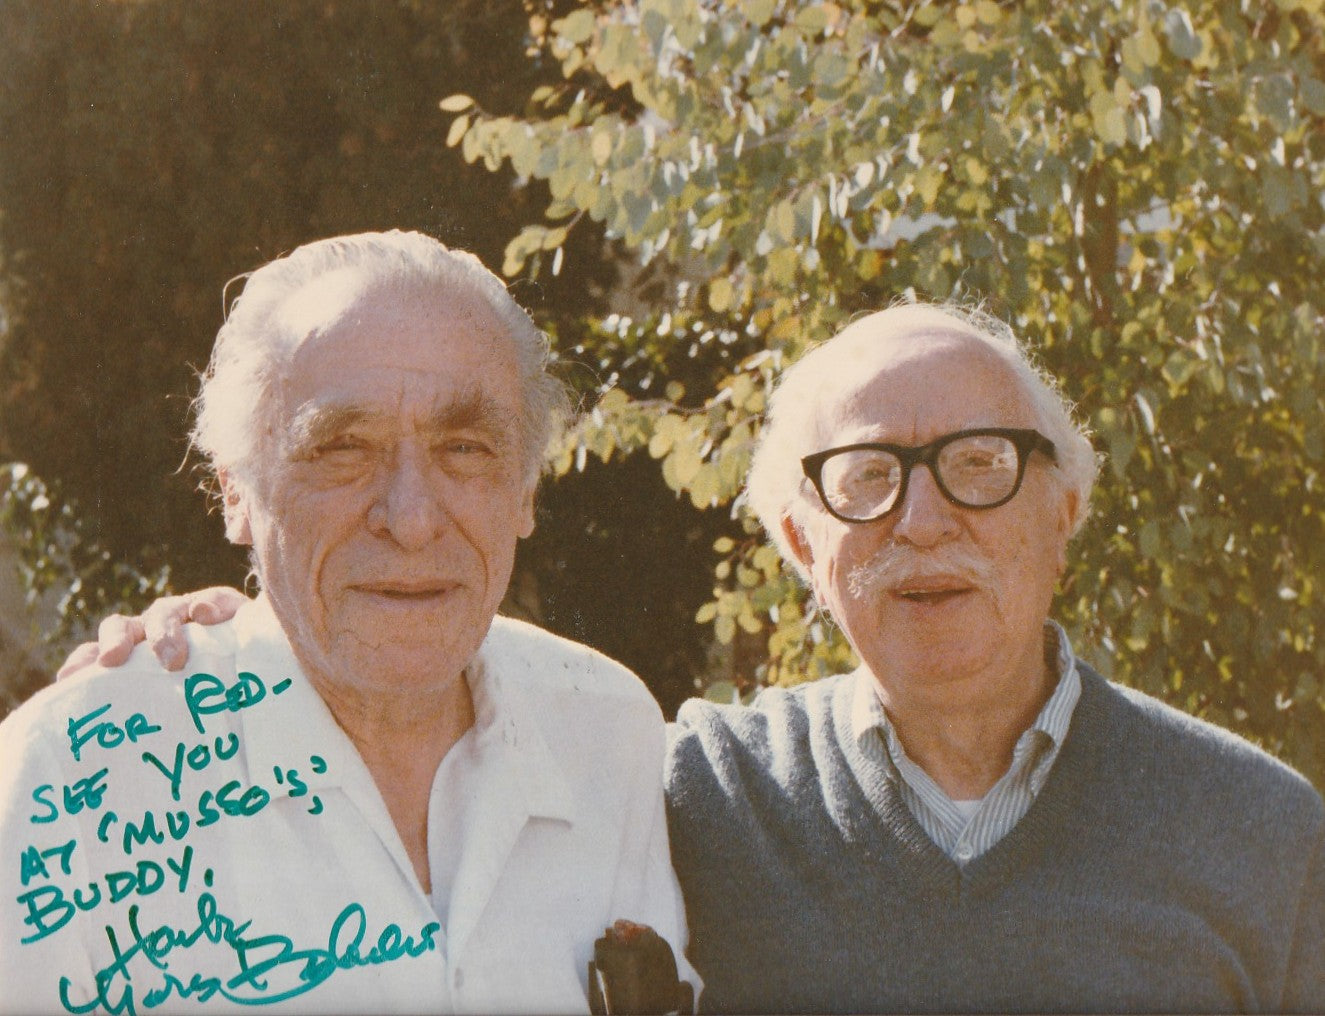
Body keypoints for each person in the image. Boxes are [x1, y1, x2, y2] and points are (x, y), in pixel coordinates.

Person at [56, 303, 1325, 1012]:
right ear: (797, 542)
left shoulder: (1260, 831)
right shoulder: (693, 784)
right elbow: (416, 658)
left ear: (1064, 509)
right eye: (865, 478)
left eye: (980, 466)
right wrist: (238, 631)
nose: (923, 520)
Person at [0, 231, 695, 1014]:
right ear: (234, 491)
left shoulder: (608, 729)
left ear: (525, 490)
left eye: (464, 448)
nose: (410, 518)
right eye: (341, 449)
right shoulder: (75, 773)